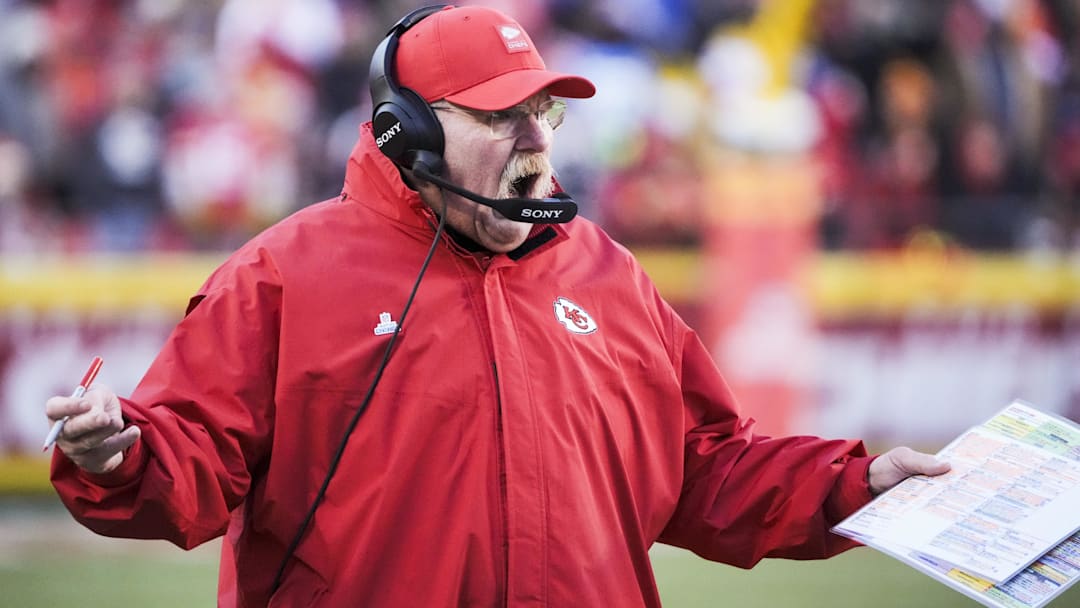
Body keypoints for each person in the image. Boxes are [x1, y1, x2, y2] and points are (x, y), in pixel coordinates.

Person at [45, 5, 951, 607]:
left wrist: (857, 485)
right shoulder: (283, 273)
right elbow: (188, 461)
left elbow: (707, 470)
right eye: (497, 116)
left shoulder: (606, 275)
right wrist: (120, 456)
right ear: (406, 132)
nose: (534, 142)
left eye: (543, 113)